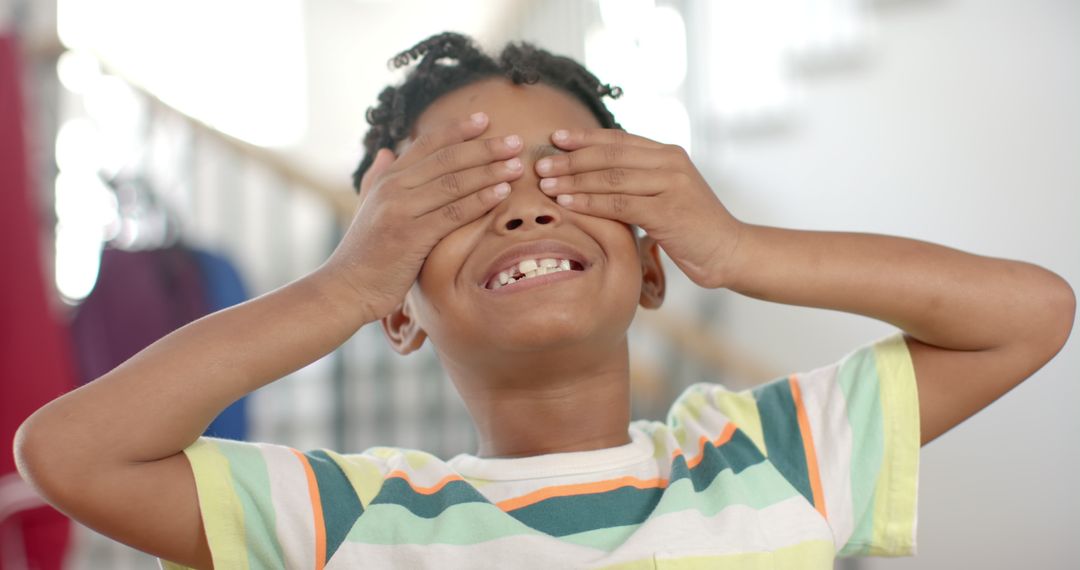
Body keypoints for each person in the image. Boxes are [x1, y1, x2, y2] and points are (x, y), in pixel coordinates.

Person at [13, 32, 1074, 569]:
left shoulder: (780, 459)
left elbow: (1027, 312)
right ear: (399, 308)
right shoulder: (350, 519)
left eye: (568, 185)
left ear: (653, 266)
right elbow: (69, 453)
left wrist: (738, 247)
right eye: (461, 200)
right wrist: (339, 282)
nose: (521, 216)